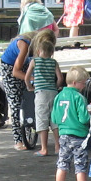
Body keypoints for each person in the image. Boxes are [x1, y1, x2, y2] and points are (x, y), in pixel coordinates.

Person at [52, 66, 91, 181]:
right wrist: (90, 112)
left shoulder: (58, 96)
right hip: (78, 135)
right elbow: (84, 118)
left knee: (62, 164)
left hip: (63, 135)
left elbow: (54, 117)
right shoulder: (79, 97)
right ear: (74, 83)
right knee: (80, 165)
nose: (84, 85)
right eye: (83, 82)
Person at [25, 28, 62, 157]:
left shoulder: (34, 61)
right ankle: (58, 146)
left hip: (40, 93)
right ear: (52, 52)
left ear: (38, 51)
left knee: (42, 119)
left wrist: (30, 87)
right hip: (53, 93)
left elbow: (26, 77)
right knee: (54, 120)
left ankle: (44, 148)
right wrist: (56, 86)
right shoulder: (54, 62)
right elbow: (60, 78)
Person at [0, 30, 33, 150]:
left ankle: (28, 136)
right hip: (9, 68)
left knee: (28, 100)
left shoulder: (30, 48)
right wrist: (31, 78)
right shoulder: (24, 45)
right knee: (15, 103)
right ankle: (18, 140)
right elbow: (15, 72)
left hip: (23, 65)